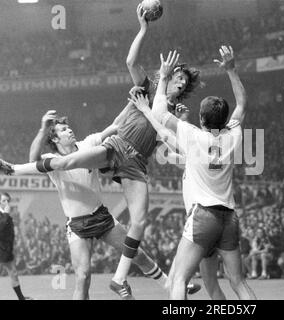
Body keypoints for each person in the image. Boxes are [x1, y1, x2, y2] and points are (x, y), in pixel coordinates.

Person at [0, 5, 202, 299]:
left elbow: (157, 139)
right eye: (177, 77)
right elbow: (130, 61)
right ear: (167, 77)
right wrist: (144, 29)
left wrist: (176, 121)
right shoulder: (148, 86)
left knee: (140, 226)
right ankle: (11, 167)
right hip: (105, 172)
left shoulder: (169, 111)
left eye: (184, 82)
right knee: (82, 273)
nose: (180, 82)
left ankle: (149, 283)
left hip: (126, 177)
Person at [27, 110, 199, 299]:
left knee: (138, 255)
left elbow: (116, 124)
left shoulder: (87, 144)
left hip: (100, 217)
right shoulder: (51, 160)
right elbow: (32, 161)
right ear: (55, 139)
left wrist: (133, 102)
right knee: (83, 277)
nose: (69, 131)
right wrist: (43, 129)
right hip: (76, 225)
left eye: (68, 128)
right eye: (63, 130)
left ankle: (171, 285)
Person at [129, 45, 256, 300]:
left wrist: (163, 77)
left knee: (178, 279)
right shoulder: (232, 135)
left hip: (203, 216)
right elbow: (242, 103)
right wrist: (231, 70)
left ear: (201, 118)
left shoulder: (194, 136)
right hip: (229, 218)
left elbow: (161, 117)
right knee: (236, 282)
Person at [0, 192, 33, 300]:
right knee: (12, 272)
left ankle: (21, 298)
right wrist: (6, 214)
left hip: (5, 249)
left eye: (8, 201)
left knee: (13, 273)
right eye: (4, 200)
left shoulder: (6, 214)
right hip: (2, 249)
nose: (7, 203)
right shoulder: (5, 214)